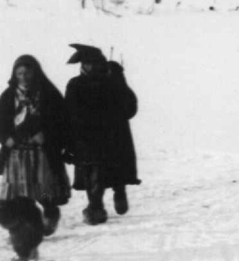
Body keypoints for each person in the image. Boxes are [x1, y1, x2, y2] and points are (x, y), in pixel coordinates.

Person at [64, 44, 140, 225]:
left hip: (113, 136)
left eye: (95, 63)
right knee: (93, 174)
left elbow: (129, 107)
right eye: (87, 63)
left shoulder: (112, 81)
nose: (91, 67)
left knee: (114, 169)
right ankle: (95, 208)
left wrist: (119, 79)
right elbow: (68, 113)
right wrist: (70, 142)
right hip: (86, 139)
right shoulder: (75, 84)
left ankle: (119, 192)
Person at [0, 55, 72, 235]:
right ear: (15, 74)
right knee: (17, 194)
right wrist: (5, 138)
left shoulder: (48, 93)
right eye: (20, 73)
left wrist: (47, 135)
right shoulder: (8, 96)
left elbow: (63, 121)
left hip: (42, 153)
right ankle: (24, 228)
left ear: (35, 72)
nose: (24, 77)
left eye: (27, 72)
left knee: (44, 192)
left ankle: (50, 211)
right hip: (16, 154)